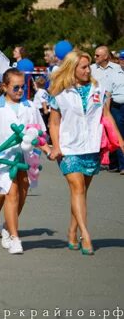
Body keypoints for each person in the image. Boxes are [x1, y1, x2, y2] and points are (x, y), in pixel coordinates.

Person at [48, 51, 124, 255]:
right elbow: (53, 123)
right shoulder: (59, 92)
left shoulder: (99, 88)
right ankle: (85, 235)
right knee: (78, 189)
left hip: (91, 147)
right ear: (72, 69)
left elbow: (106, 116)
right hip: (68, 148)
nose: (88, 70)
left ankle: (72, 230)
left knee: (81, 193)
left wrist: (121, 140)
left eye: (88, 66)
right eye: (83, 67)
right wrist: (56, 146)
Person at [0, 68, 50, 255]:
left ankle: (8, 227)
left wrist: (48, 148)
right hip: (3, 159)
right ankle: (13, 235)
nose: (19, 91)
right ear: (4, 87)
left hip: (26, 158)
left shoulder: (30, 106)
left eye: (22, 87)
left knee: (22, 192)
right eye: (15, 87)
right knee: (10, 193)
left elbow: (38, 133)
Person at [91, 46, 124, 172]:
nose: (95, 58)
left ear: (106, 56)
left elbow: (110, 91)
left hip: (110, 105)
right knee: (99, 132)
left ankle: (117, 163)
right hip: (96, 105)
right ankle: (100, 160)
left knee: (115, 133)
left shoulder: (116, 69)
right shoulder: (91, 69)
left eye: (97, 55)